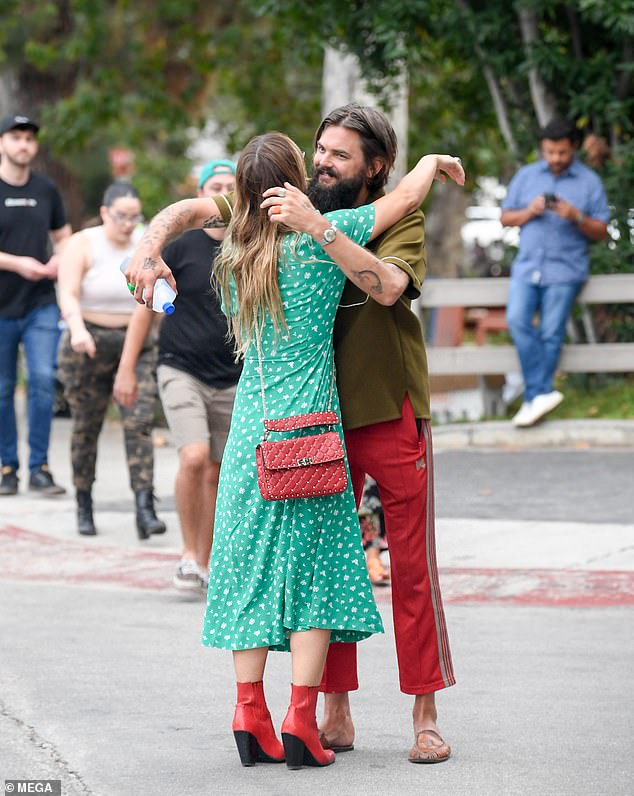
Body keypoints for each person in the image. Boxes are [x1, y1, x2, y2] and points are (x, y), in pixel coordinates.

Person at [124, 131, 464, 770]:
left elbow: (192, 214)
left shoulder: (234, 253)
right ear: (292, 182)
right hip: (309, 429)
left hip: (251, 427)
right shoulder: (318, 238)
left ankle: (248, 709)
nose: (322, 166)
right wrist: (427, 164)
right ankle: (304, 720)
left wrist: (151, 251)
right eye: (313, 158)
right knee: (320, 575)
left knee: (248, 566)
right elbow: (409, 197)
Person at [113, 160, 241, 590]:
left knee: (219, 471)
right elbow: (145, 313)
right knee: (193, 456)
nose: (222, 192)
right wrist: (127, 369)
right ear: (201, 194)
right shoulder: (182, 245)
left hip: (234, 375)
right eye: (214, 186)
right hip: (181, 368)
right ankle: (188, 555)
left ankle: (204, 561)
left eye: (230, 186)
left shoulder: (249, 242)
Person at [56, 182, 166, 539]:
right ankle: (84, 502)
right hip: (88, 340)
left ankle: (145, 506)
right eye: (121, 216)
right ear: (105, 213)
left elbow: (157, 298)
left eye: (135, 217)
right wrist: (77, 329)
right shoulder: (83, 243)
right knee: (87, 426)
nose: (128, 224)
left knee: (139, 423)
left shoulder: (144, 245)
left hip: (135, 343)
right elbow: (68, 293)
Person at [501, 117, 610, 427]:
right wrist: (530, 211)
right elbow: (505, 218)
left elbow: (602, 231)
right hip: (527, 268)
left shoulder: (589, 182)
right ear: (542, 149)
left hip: (566, 270)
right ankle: (541, 394)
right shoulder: (526, 176)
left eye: (561, 152)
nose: (555, 158)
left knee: (551, 333)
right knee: (517, 320)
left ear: (572, 148)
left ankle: (532, 398)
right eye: (550, 152)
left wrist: (576, 216)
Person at [0, 113, 71, 497]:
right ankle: (6, 467)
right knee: (3, 387)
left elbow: (63, 237)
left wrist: (61, 258)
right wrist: (16, 263)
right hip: (1, 307)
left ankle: (39, 467)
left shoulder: (46, 189)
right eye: (16, 137)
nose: (23, 144)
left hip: (40, 304)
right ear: (2, 144)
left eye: (29, 138)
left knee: (43, 380)